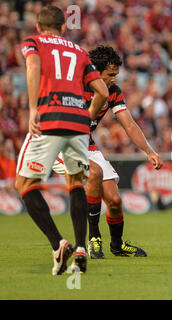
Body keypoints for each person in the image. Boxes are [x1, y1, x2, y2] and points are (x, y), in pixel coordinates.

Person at [15, 5, 109, 275]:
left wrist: (34, 108)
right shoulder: (79, 50)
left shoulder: (33, 42)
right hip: (77, 122)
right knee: (75, 181)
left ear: (38, 27)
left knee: (24, 183)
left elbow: (33, 65)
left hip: (49, 118)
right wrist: (86, 116)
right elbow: (101, 90)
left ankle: (58, 244)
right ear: (64, 27)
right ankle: (81, 247)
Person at [53, 45, 163, 259]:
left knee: (114, 200)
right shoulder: (74, 87)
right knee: (94, 174)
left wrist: (149, 151)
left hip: (87, 145)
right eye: (110, 75)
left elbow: (129, 124)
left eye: (116, 75)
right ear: (95, 71)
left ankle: (117, 245)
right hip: (60, 143)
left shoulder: (113, 91)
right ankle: (94, 238)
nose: (114, 79)